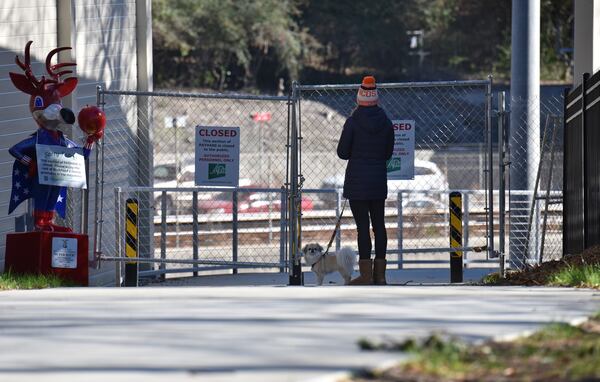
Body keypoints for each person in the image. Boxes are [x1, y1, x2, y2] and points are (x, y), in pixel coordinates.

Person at [337, 76, 394, 285]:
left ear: (359, 99)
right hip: (378, 181)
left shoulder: (352, 122)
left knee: (363, 227)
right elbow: (388, 153)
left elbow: (342, 153)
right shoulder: (386, 122)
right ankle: (381, 275)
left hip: (357, 182)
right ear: (376, 99)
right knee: (379, 225)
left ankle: (366, 274)